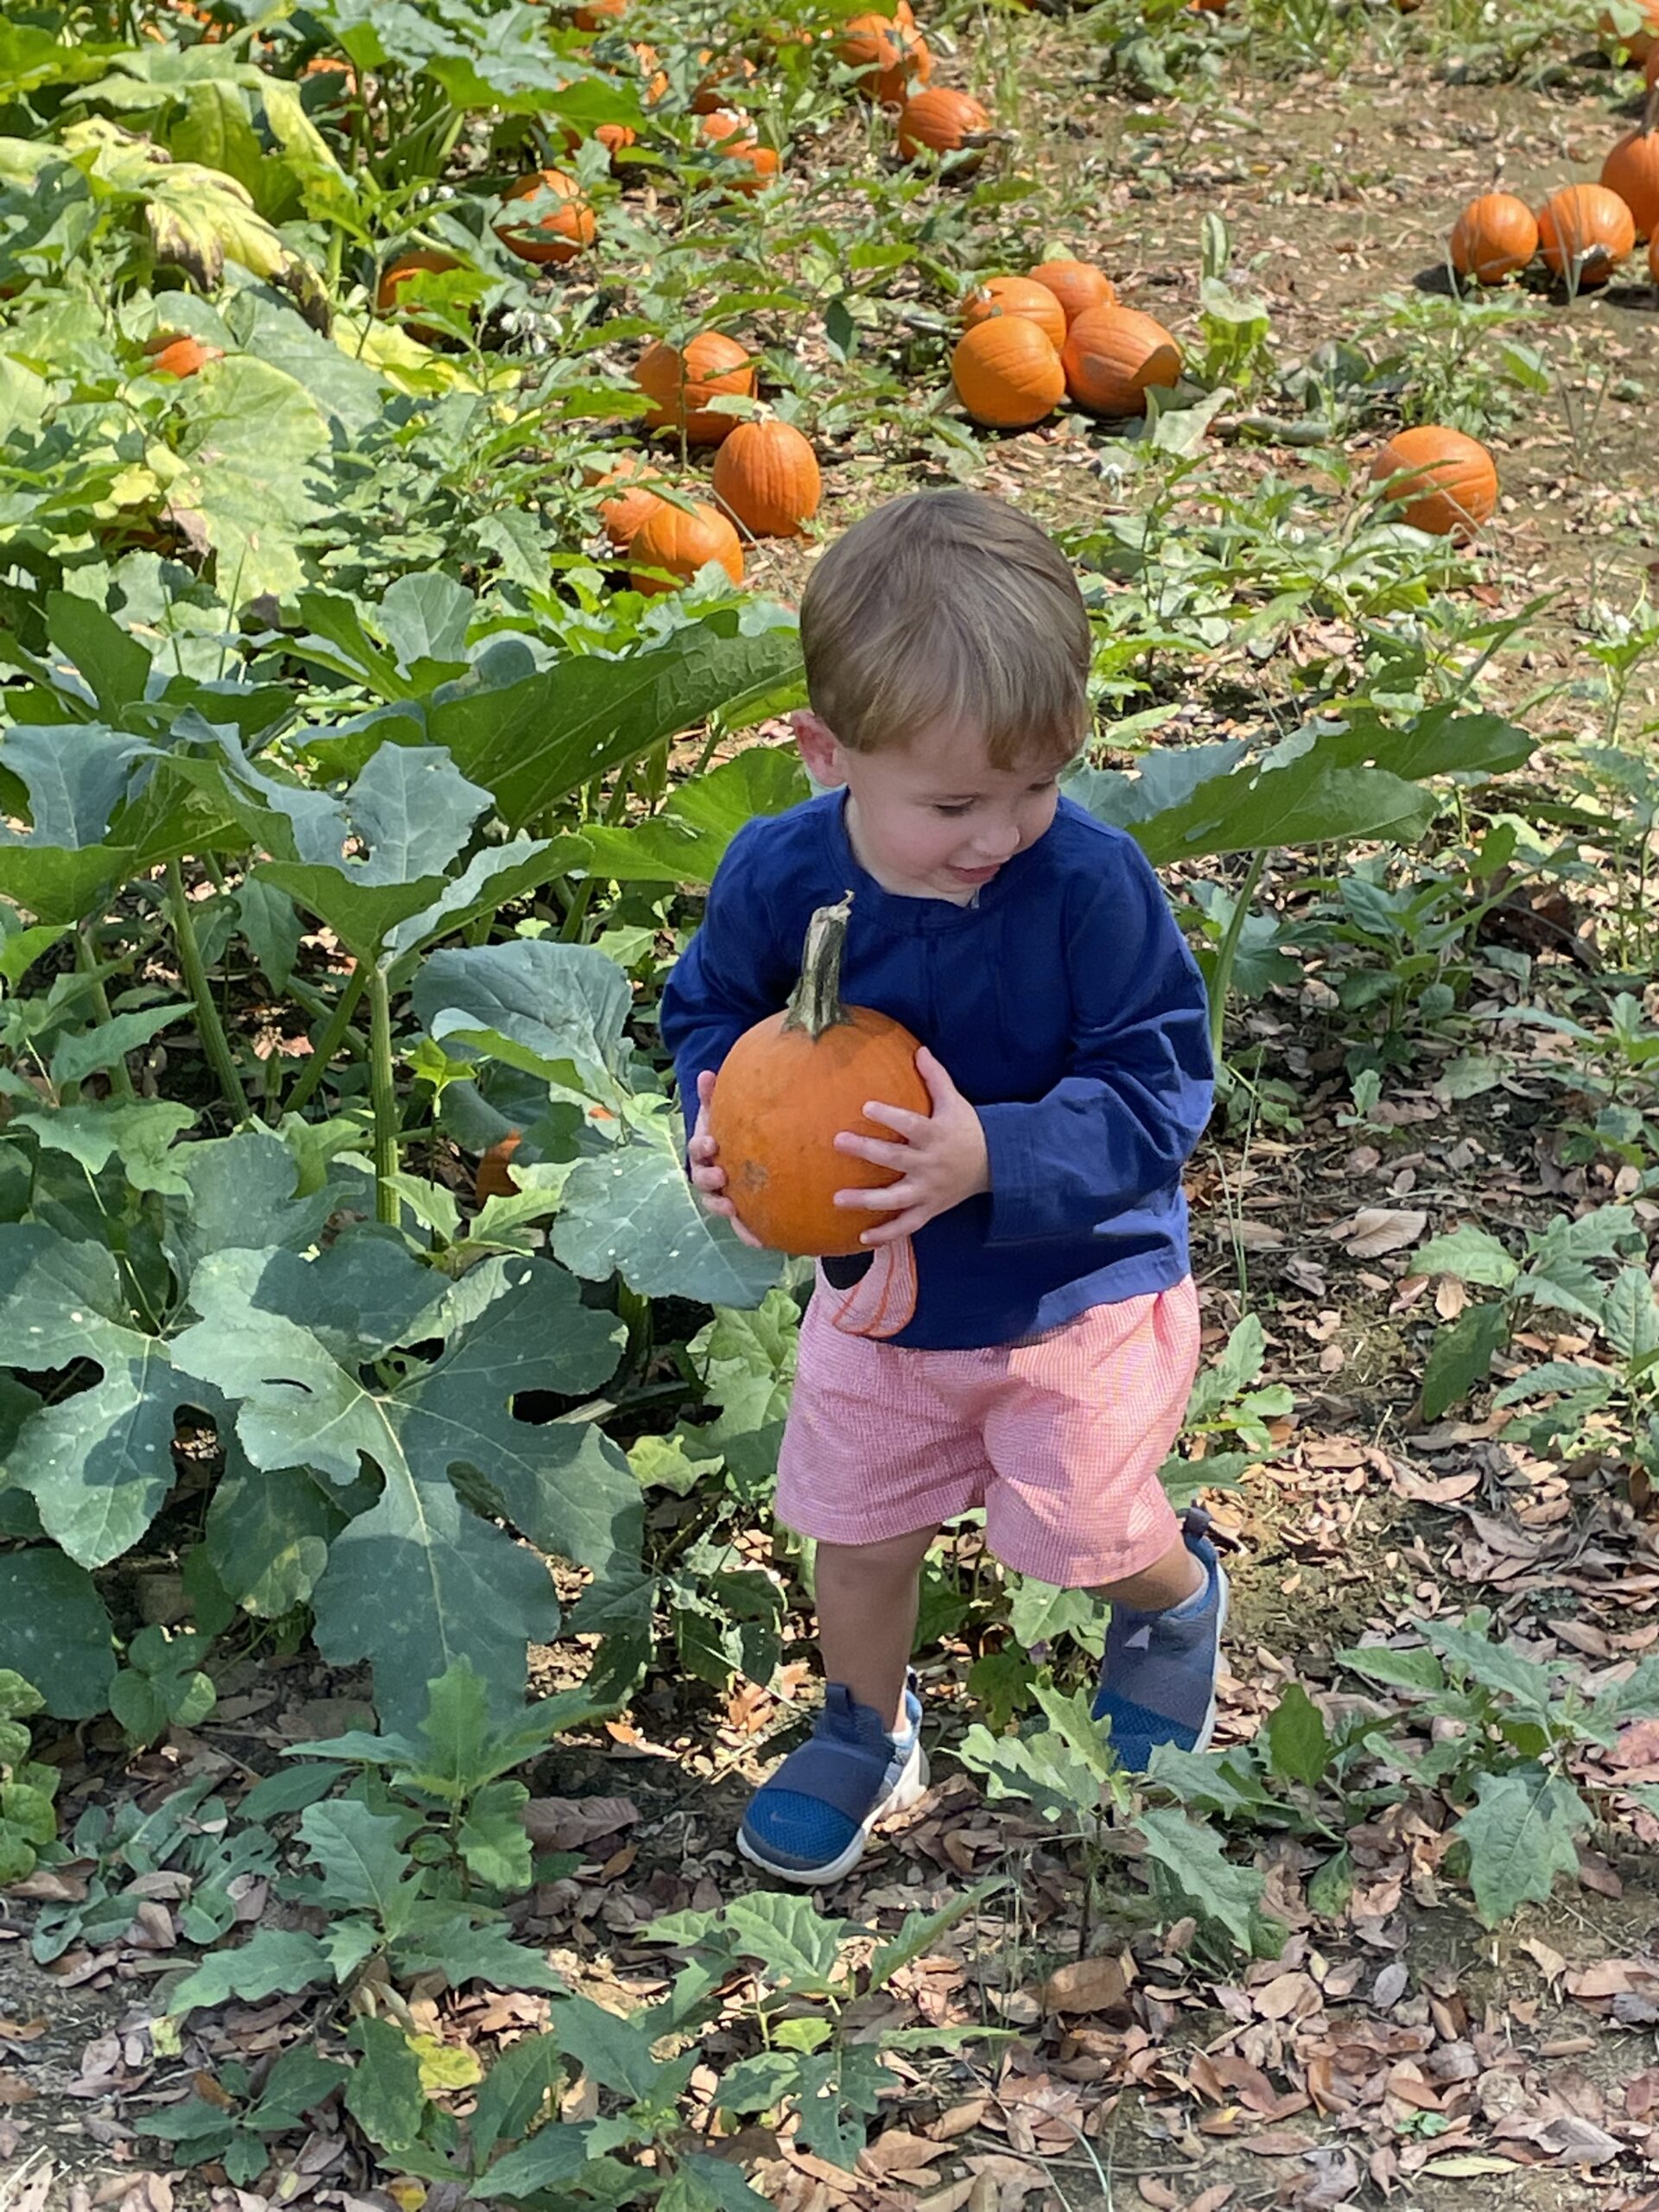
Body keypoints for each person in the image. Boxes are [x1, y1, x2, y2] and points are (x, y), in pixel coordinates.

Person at [658, 487, 1220, 1887]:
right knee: (855, 1533)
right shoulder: (778, 875)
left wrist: (998, 1153)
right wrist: (719, 1124)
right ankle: (865, 1725)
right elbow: (711, 1016)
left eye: (1038, 786)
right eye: (957, 802)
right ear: (827, 753)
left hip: (1068, 1286)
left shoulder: (1091, 885)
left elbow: (1162, 1084)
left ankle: (1174, 1598)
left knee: (1086, 1535)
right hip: (878, 1300)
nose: (1002, 831)